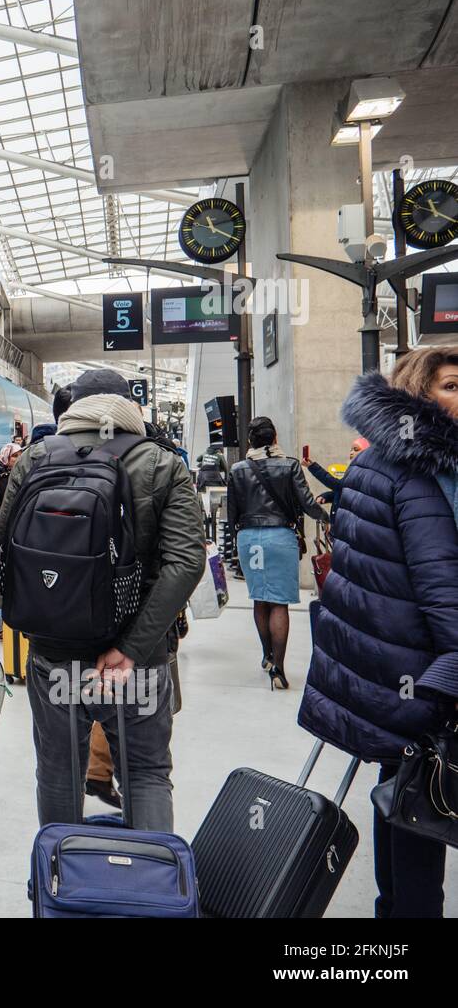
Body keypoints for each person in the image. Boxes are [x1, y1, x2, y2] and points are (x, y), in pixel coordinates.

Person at [0, 369, 205, 832]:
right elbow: (186, 563)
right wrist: (130, 649)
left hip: (54, 655)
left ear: (73, 406)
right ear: (132, 406)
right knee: (146, 774)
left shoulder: (36, 458)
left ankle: (58, 883)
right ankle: (149, 893)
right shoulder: (161, 463)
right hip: (139, 661)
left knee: (57, 772)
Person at [299, 347, 458, 919]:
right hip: (423, 668)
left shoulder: (374, 460)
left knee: (404, 788)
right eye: (452, 386)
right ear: (419, 393)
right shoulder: (423, 471)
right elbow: (443, 587)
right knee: (426, 801)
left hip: (388, 666)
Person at [226, 416, 328, 690]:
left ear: (250, 441)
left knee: (260, 599)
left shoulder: (237, 469)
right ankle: (280, 670)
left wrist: (239, 539)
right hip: (280, 537)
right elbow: (307, 504)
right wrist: (328, 516)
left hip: (249, 538)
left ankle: (267, 656)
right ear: (274, 438)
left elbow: (231, 513)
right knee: (279, 603)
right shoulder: (290, 465)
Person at [302, 438, 369, 522]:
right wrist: (327, 496)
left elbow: (339, 485)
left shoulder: (364, 473)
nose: (351, 453)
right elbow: (344, 491)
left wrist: (312, 467)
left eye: (356, 450)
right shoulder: (354, 470)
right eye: (351, 450)